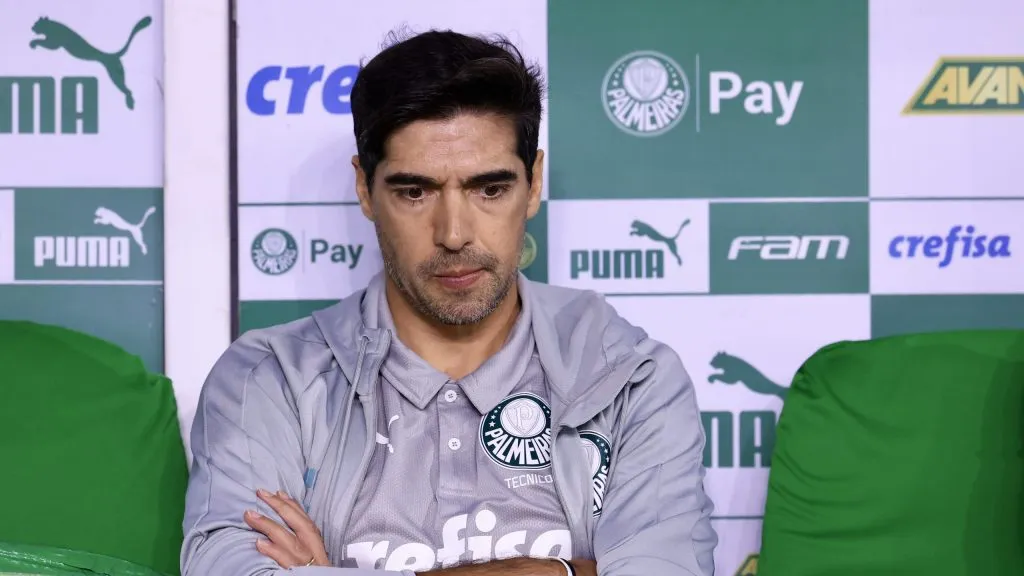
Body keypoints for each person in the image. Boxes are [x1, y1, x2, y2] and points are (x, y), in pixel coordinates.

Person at [181, 29, 717, 576]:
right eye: (415, 192)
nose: (455, 234)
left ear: (533, 183)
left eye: (490, 189)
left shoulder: (632, 377)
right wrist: (566, 572)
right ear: (365, 189)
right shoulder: (270, 380)